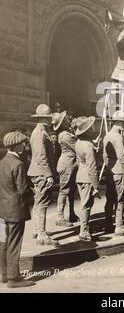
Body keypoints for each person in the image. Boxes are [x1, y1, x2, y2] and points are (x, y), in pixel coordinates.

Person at [0, 131, 35, 288]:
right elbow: (22, 190)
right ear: (16, 145)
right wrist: (33, 190)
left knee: (3, 242)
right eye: (22, 143)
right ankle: (14, 278)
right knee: (14, 243)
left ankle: (4, 274)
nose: (24, 146)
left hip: (2, 210)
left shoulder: (1, 162)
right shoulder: (18, 164)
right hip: (15, 211)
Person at [27, 104, 59, 246]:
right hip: (41, 173)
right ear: (43, 118)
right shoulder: (40, 133)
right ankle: (41, 234)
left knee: (38, 202)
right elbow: (42, 156)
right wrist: (49, 175)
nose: (50, 119)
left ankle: (37, 230)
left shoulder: (40, 131)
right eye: (48, 117)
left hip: (38, 171)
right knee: (43, 203)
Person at [103, 111, 124, 236]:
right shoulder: (117, 137)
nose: (123, 125)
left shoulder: (107, 136)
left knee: (109, 199)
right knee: (120, 199)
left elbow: (105, 156)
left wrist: (108, 167)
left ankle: (108, 225)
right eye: (122, 122)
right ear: (117, 123)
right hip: (119, 171)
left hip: (110, 171)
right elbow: (122, 156)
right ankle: (119, 226)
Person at [75, 116, 99, 241]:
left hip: (80, 175)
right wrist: (96, 185)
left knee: (84, 203)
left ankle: (85, 228)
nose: (93, 128)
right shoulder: (88, 145)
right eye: (91, 127)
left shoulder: (79, 143)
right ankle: (83, 231)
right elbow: (92, 166)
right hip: (88, 178)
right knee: (86, 204)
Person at [52, 111, 78, 227]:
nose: (68, 118)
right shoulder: (65, 135)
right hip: (67, 164)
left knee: (70, 191)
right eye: (66, 118)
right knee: (64, 190)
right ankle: (60, 217)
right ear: (63, 122)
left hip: (69, 164)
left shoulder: (67, 133)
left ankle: (71, 213)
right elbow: (76, 146)